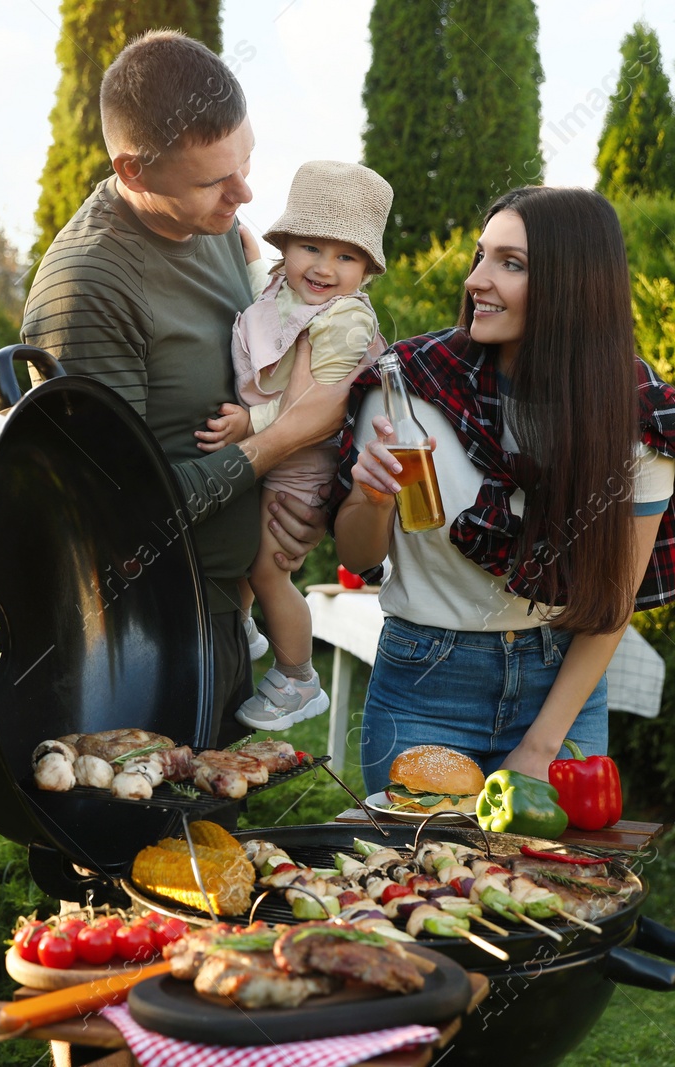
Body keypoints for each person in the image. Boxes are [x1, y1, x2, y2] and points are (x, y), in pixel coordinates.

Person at [332, 187, 675, 794]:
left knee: (549, 886)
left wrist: (542, 745)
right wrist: (371, 498)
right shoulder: (407, 388)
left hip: (563, 688)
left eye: (510, 264)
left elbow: (613, 600)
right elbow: (359, 557)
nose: (476, 280)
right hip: (425, 684)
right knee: (421, 884)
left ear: (574, 285)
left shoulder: (638, 417)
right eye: (480, 256)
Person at [21, 30, 356, 746]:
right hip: (148, 639)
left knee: (222, 849)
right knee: (152, 853)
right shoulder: (90, 287)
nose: (245, 194)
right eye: (213, 181)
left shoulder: (216, 224)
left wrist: (294, 500)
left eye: (246, 161)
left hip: (229, 617)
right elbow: (119, 520)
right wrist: (278, 443)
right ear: (134, 171)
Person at [195, 160, 392, 732]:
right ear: (288, 246)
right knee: (245, 548)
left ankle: (298, 677)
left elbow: (320, 405)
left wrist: (249, 422)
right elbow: (264, 306)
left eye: (346, 257)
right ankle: (254, 629)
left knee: (269, 566)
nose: (325, 268)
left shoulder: (346, 321)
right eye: (310, 247)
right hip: (273, 459)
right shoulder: (285, 286)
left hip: (302, 467)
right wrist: (250, 252)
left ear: (366, 271)